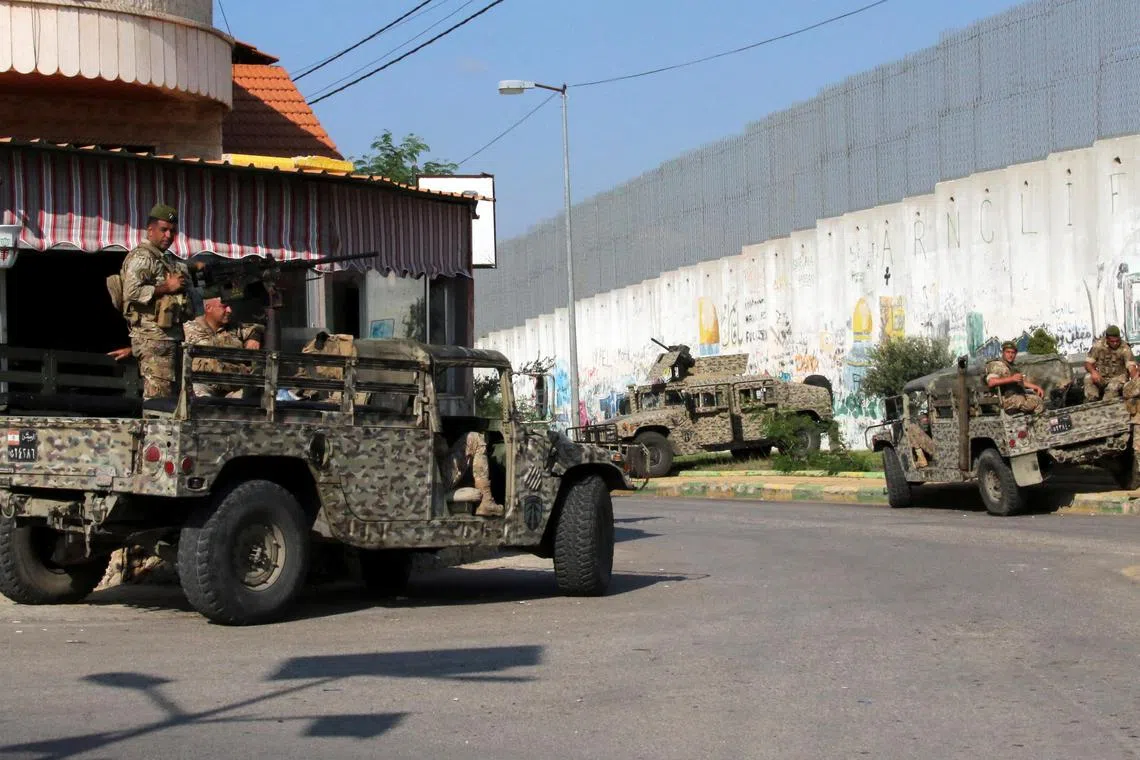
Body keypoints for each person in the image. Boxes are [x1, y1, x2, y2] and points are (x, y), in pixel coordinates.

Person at [118, 203, 193, 399]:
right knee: (159, 401)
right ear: (150, 230)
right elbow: (132, 292)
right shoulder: (143, 257)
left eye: (172, 231)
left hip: (169, 338)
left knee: (172, 399)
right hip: (154, 338)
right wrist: (168, 287)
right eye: (164, 230)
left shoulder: (165, 259)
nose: (168, 235)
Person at [182, 291, 264, 397]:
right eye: (224, 307)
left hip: (234, 387)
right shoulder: (189, 329)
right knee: (199, 396)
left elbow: (257, 328)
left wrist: (254, 338)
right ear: (208, 308)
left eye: (229, 306)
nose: (229, 310)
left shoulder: (234, 328)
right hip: (206, 386)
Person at [436, 432, 503, 517]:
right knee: (474, 439)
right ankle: (486, 501)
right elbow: (441, 449)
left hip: (432, 480)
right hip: (435, 480)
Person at [985, 340, 1045, 414]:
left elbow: (1020, 381)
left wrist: (1036, 387)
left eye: (1013, 353)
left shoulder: (1012, 367)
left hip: (1014, 397)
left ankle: (1035, 422)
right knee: (1022, 400)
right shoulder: (996, 365)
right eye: (1008, 352)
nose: (1010, 355)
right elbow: (991, 382)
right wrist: (1012, 379)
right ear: (1003, 352)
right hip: (1002, 400)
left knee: (1039, 400)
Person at [1083, 325, 1139, 401]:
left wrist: (1134, 378)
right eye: (1112, 341)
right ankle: (1092, 401)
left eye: (1117, 341)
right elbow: (1088, 363)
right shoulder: (1098, 345)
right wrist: (1093, 372)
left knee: (1112, 388)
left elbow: (1131, 367)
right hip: (1101, 377)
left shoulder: (1125, 348)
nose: (1115, 343)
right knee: (1088, 377)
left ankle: (1107, 405)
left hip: (1117, 378)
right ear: (1107, 339)